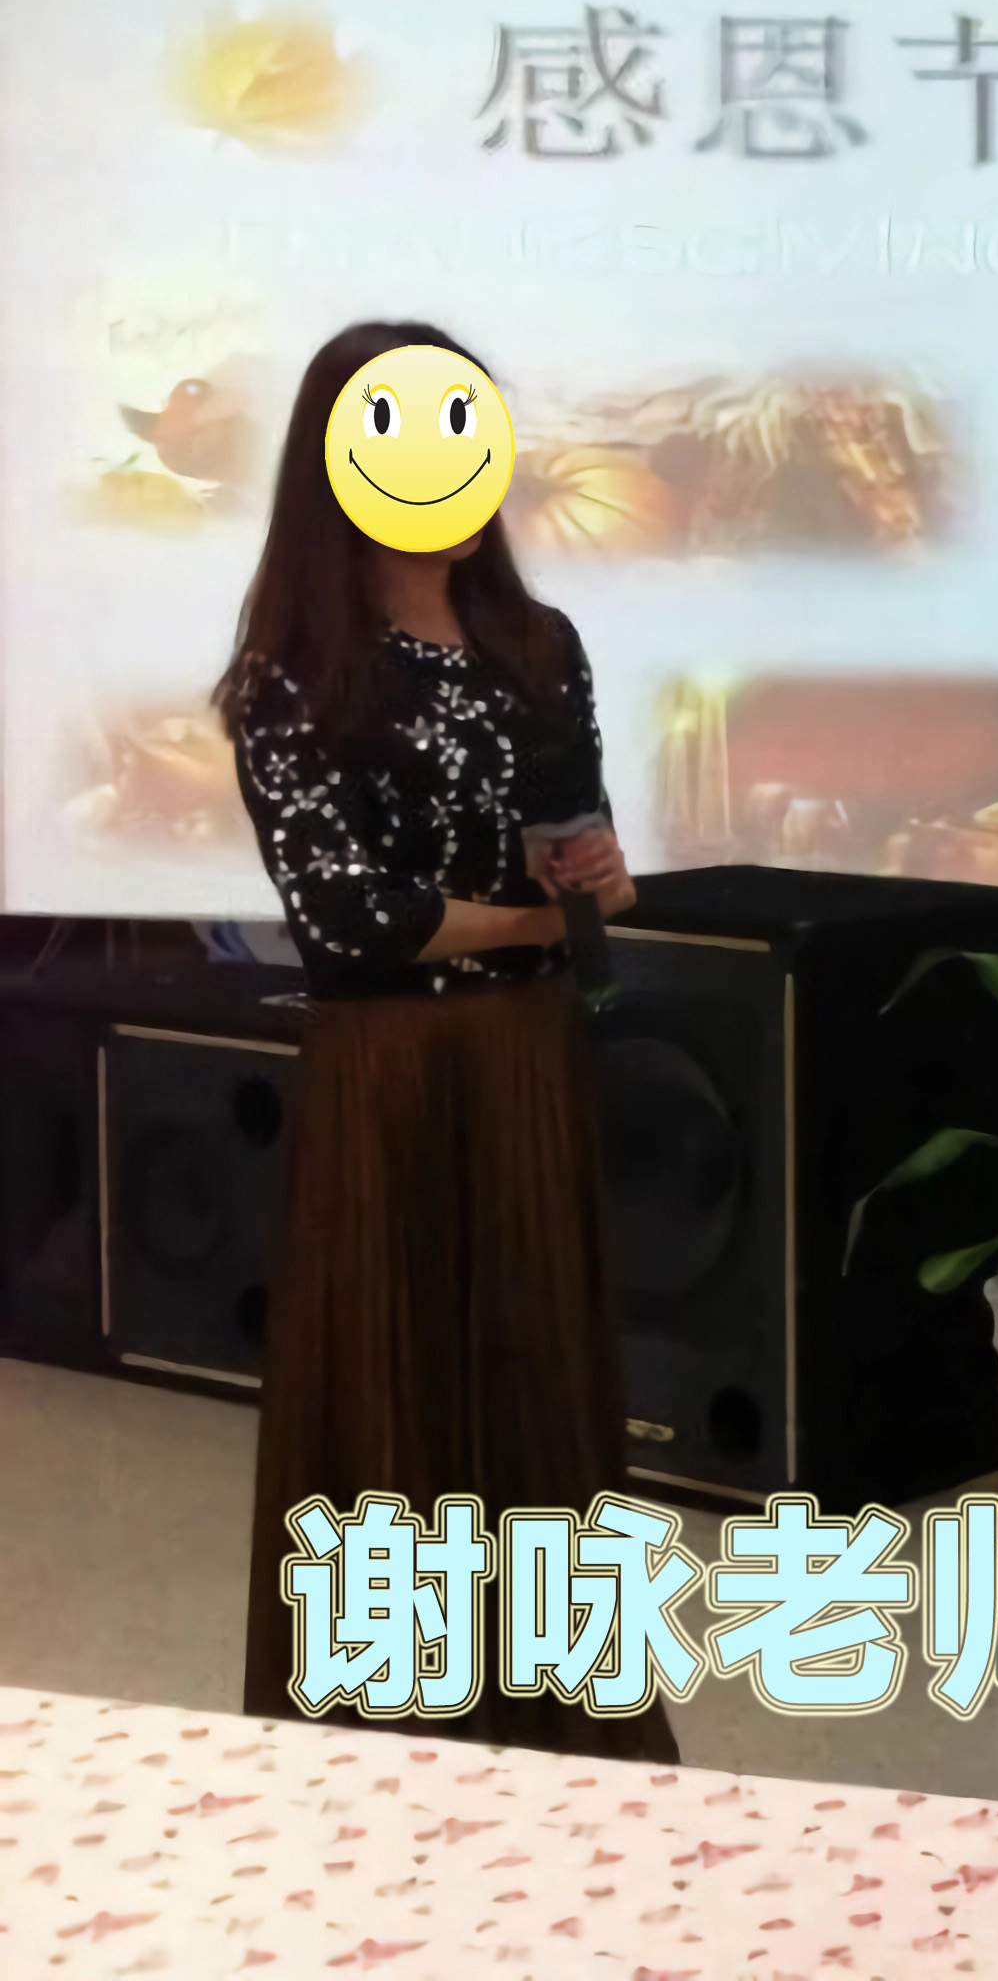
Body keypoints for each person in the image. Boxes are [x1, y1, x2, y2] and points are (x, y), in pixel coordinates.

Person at [215, 318, 675, 1762]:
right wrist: (537, 923)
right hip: (388, 1075)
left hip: (528, 1057)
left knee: (541, 1374)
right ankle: (384, 1741)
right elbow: (350, 919)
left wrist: (597, 884)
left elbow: (577, 851)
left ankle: (566, 1728)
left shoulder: (541, 645)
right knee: (386, 1386)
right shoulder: (293, 673)